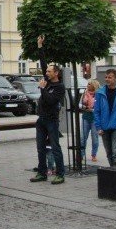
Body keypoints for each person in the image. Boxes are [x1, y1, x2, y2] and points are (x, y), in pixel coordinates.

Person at [30, 35, 65, 184]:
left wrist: (43, 89)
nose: (47, 73)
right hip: (41, 120)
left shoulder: (59, 87)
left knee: (55, 147)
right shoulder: (48, 81)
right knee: (40, 148)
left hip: (52, 120)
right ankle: (42, 172)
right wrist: (40, 46)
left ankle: (60, 174)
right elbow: (43, 62)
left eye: (50, 71)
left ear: (56, 73)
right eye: (47, 71)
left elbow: (51, 101)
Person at [80, 79, 99, 162]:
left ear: (94, 85)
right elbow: (79, 104)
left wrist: (93, 110)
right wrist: (84, 107)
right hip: (86, 117)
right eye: (88, 84)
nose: (87, 85)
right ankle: (81, 155)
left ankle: (94, 155)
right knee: (83, 138)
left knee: (95, 138)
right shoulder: (85, 93)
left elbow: (100, 107)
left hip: (95, 118)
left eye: (89, 84)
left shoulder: (98, 95)